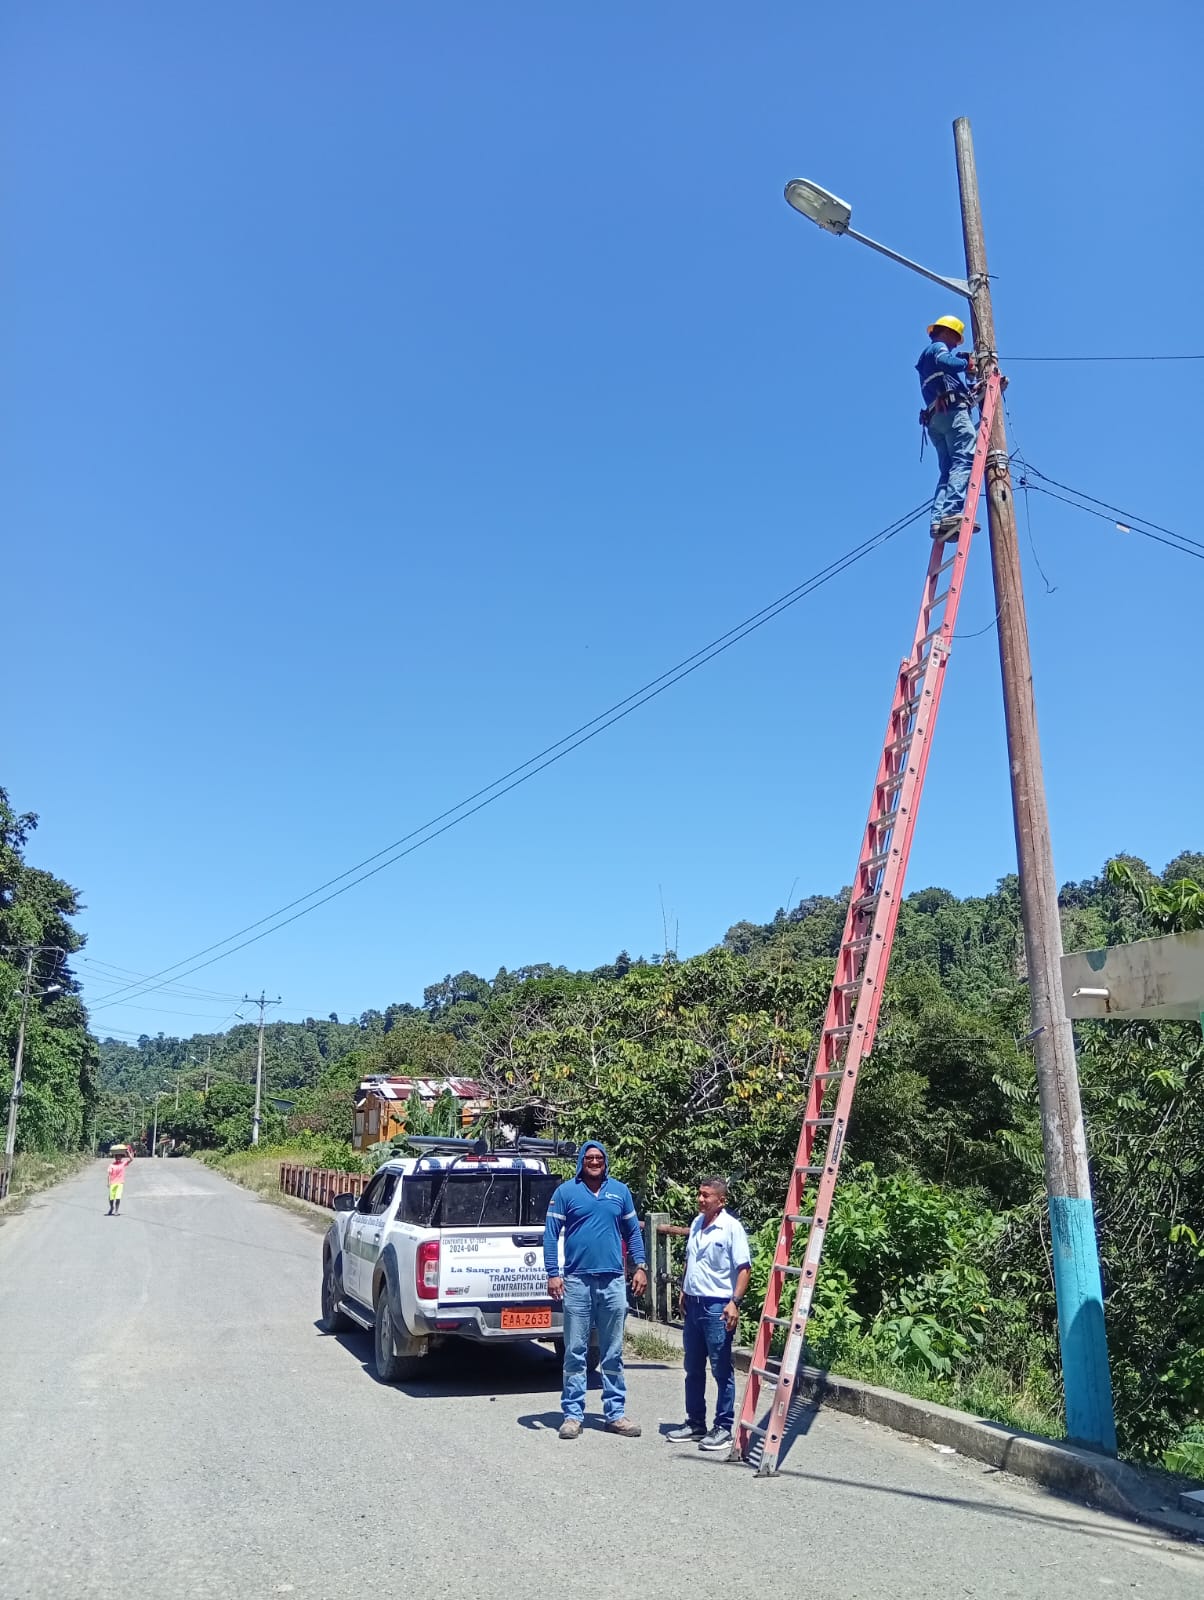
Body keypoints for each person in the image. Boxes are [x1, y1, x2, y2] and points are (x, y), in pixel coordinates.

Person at [543, 1140, 647, 1440]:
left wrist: (640, 1266)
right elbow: (550, 1235)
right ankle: (573, 1415)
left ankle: (615, 1414)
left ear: (605, 1161)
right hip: (577, 1281)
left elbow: (632, 1232)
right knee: (575, 1351)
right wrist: (553, 1273)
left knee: (612, 1352)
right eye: (589, 1157)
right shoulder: (566, 1192)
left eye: (599, 1157)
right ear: (581, 1161)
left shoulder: (620, 1192)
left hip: (613, 1281)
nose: (594, 1162)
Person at [666, 1175, 751, 1454]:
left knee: (721, 1369)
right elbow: (691, 1259)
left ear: (721, 1200)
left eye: (706, 1195)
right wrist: (684, 1289)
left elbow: (744, 1269)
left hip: (717, 1307)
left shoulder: (731, 1228)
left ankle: (723, 1427)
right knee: (692, 1367)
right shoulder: (696, 1223)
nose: (700, 1199)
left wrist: (734, 1302)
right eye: (699, 1194)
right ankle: (695, 1423)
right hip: (693, 1305)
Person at [917, 314, 979, 542]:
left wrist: (971, 381)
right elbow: (947, 361)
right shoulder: (938, 348)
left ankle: (938, 520)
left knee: (948, 470)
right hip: (952, 414)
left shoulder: (928, 362)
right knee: (963, 460)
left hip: (936, 420)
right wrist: (966, 363)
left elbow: (949, 375)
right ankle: (951, 512)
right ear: (947, 332)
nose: (955, 345)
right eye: (955, 339)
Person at [106, 1145, 134, 1215]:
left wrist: (128, 1152)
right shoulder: (111, 1165)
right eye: (117, 1157)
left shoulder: (123, 1163)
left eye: (119, 1157)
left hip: (120, 1183)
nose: (118, 1158)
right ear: (115, 1157)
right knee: (111, 1197)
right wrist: (108, 1183)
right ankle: (111, 1207)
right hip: (113, 1183)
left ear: (121, 1157)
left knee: (118, 1197)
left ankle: (116, 1211)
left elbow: (131, 1159)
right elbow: (109, 1175)